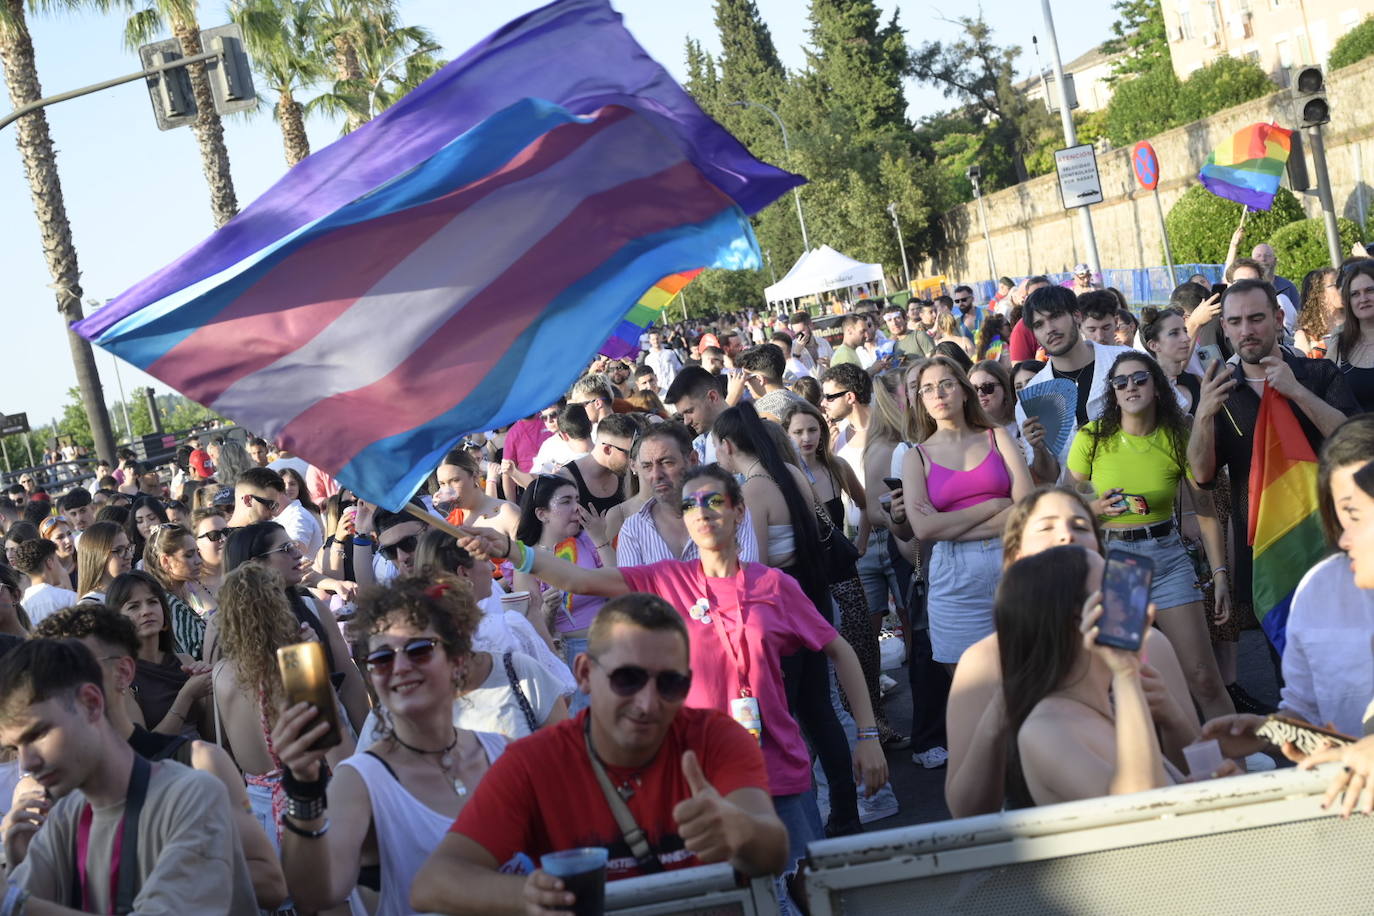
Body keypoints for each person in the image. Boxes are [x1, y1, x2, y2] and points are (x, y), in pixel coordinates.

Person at [454, 467, 886, 864]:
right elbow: (577, 580)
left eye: (714, 501)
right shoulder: (666, 580)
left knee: (802, 887)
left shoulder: (774, 585)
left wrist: (868, 735)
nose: (701, 512)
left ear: (739, 511)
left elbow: (839, 650)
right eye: (690, 504)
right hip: (696, 776)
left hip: (778, 772)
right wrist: (512, 550)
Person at [411, 594, 788, 914]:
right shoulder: (534, 763)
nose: (647, 702)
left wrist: (741, 832)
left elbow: (774, 850)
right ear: (585, 673)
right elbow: (433, 882)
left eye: (671, 683)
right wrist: (525, 896)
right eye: (628, 678)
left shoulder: (716, 738)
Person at [944, 485, 1198, 816]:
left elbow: (1191, 779)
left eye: (1080, 526)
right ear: (1014, 559)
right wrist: (997, 719)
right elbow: (967, 812)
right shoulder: (985, 663)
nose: (1066, 537)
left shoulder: (1147, 646)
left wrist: (1172, 717)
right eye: (1047, 527)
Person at [269, 577, 507, 915]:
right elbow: (318, 895)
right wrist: (303, 791)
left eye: (419, 650)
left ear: (456, 660)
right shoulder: (362, 781)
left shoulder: (502, 753)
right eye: (381, 658)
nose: (400, 667)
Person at [29, 605, 287, 908]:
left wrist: (174, 867)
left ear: (123, 672)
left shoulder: (199, 763)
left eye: (74, 669)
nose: (60, 686)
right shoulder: (54, 792)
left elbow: (271, 884)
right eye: (51, 675)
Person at [1188, 279, 1357, 703]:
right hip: (1269, 553)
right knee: (1294, 678)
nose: (1247, 330)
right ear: (1224, 329)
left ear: (1279, 319)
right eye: (1236, 321)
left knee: (1356, 665)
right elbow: (1201, 475)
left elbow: (1355, 442)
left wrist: (1296, 393)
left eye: (1257, 318)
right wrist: (1204, 414)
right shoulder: (1221, 392)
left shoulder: (1318, 373)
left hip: (1339, 544)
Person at [1068, 352, 1234, 720]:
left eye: (1140, 379)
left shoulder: (1178, 436)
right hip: (1117, 564)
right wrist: (1096, 509)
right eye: (1121, 382)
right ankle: (1153, 768)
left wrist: (1220, 574)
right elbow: (1067, 500)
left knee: (1204, 678)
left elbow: (1205, 510)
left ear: (1157, 387)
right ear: (1112, 392)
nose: (1130, 387)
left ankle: (1235, 760)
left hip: (1168, 557)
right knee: (1126, 683)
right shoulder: (1092, 437)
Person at [999, 546, 1173, 805]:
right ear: (1075, 618)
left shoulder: (1110, 705)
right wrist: (1126, 674)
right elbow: (1140, 809)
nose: (1131, 597)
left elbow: (1173, 793)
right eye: (1111, 588)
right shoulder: (1044, 730)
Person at [210, 563, 358, 852]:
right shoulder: (298, 668)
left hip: (256, 814)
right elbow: (341, 759)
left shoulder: (220, 672)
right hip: (308, 807)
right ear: (278, 606)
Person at [902, 356, 1033, 666]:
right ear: (920, 400)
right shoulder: (915, 458)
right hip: (953, 573)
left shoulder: (996, 435)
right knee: (970, 688)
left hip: (1012, 559)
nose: (938, 394)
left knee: (1029, 677)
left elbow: (1027, 507)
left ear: (963, 391)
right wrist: (994, 504)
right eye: (928, 389)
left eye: (946, 384)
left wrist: (947, 524)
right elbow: (923, 529)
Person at [221, 522, 369, 729]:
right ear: (256, 565)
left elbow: (350, 680)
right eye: (285, 549)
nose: (298, 554)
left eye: (294, 546)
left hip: (334, 734)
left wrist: (365, 742)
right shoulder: (225, 629)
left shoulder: (314, 608)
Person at [512, 474, 613, 707]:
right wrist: (548, 610)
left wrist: (600, 538)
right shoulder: (526, 560)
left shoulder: (588, 541)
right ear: (541, 513)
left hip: (611, 642)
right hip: (572, 654)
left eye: (577, 499)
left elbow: (621, 584)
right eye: (566, 501)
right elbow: (533, 634)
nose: (577, 508)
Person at [615, 422, 761, 567]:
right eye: (647, 466)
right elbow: (632, 586)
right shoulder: (633, 529)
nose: (656, 475)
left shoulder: (729, 512)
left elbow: (747, 580)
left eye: (666, 463)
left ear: (692, 460)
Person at [105, 569, 211, 736]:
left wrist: (207, 691)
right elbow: (146, 748)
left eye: (153, 602)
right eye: (134, 606)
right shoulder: (120, 678)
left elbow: (210, 733)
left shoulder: (186, 662)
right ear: (116, 619)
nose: (146, 611)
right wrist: (187, 695)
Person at [970, 359, 1056, 484]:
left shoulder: (1026, 423)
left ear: (1005, 390)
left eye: (987, 387)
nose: (980, 393)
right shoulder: (967, 432)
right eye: (973, 389)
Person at [556, 413, 635, 515]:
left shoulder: (629, 475)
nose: (634, 459)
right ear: (607, 450)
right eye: (629, 453)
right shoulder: (566, 479)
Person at [1328, 259, 1374, 412]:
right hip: (1356, 434)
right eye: (1355, 294)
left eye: (1370, 290)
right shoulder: (1339, 345)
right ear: (1348, 301)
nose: (1363, 299)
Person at [1140, 306, 1200, 414]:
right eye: (1174, 333)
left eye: (1185, 331)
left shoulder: (1196, 380)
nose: (1187, 338)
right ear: (1153, 345)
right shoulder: (1147, 388)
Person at [664, 366, 728, 464]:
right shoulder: (698, 448)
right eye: (682, 415)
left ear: (712, 397)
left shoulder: (755, 432)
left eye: (689, 411)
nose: (686, 421)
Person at [728, 343, 807, 421]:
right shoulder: (801, 402)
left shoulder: (764, 413)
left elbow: (719, 430)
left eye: (746, 377)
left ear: (760, 379)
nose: (745, 383)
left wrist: (732, 396)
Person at [12, 539, 78, 625]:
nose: (60, 567)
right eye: (57, 561)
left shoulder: (22, 607)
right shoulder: (70, 598)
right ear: (50, 563)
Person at [73, 520, 133, 604]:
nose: (129, 556)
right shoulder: (90, 605)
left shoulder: (133, 593)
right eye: (119, 550)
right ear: (98, 555)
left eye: (128, 548)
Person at [275, 466, 324, 562]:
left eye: (292, 484)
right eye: (283, 484)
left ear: (299, 487)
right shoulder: (282, 514)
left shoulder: (300, 515)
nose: (287, 488)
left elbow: (297, 549)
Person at [1295, 266, 1341, 357]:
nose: (1342, 288)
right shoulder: (1305, 336)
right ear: (1319, 294)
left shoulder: (1355, 323)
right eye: (1336, 284)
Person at [193, 506, 229, 594]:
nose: (224, 538)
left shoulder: (243, 577)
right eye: (214, 535)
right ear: (195, 543)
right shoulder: (186, 588)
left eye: (226, 532)